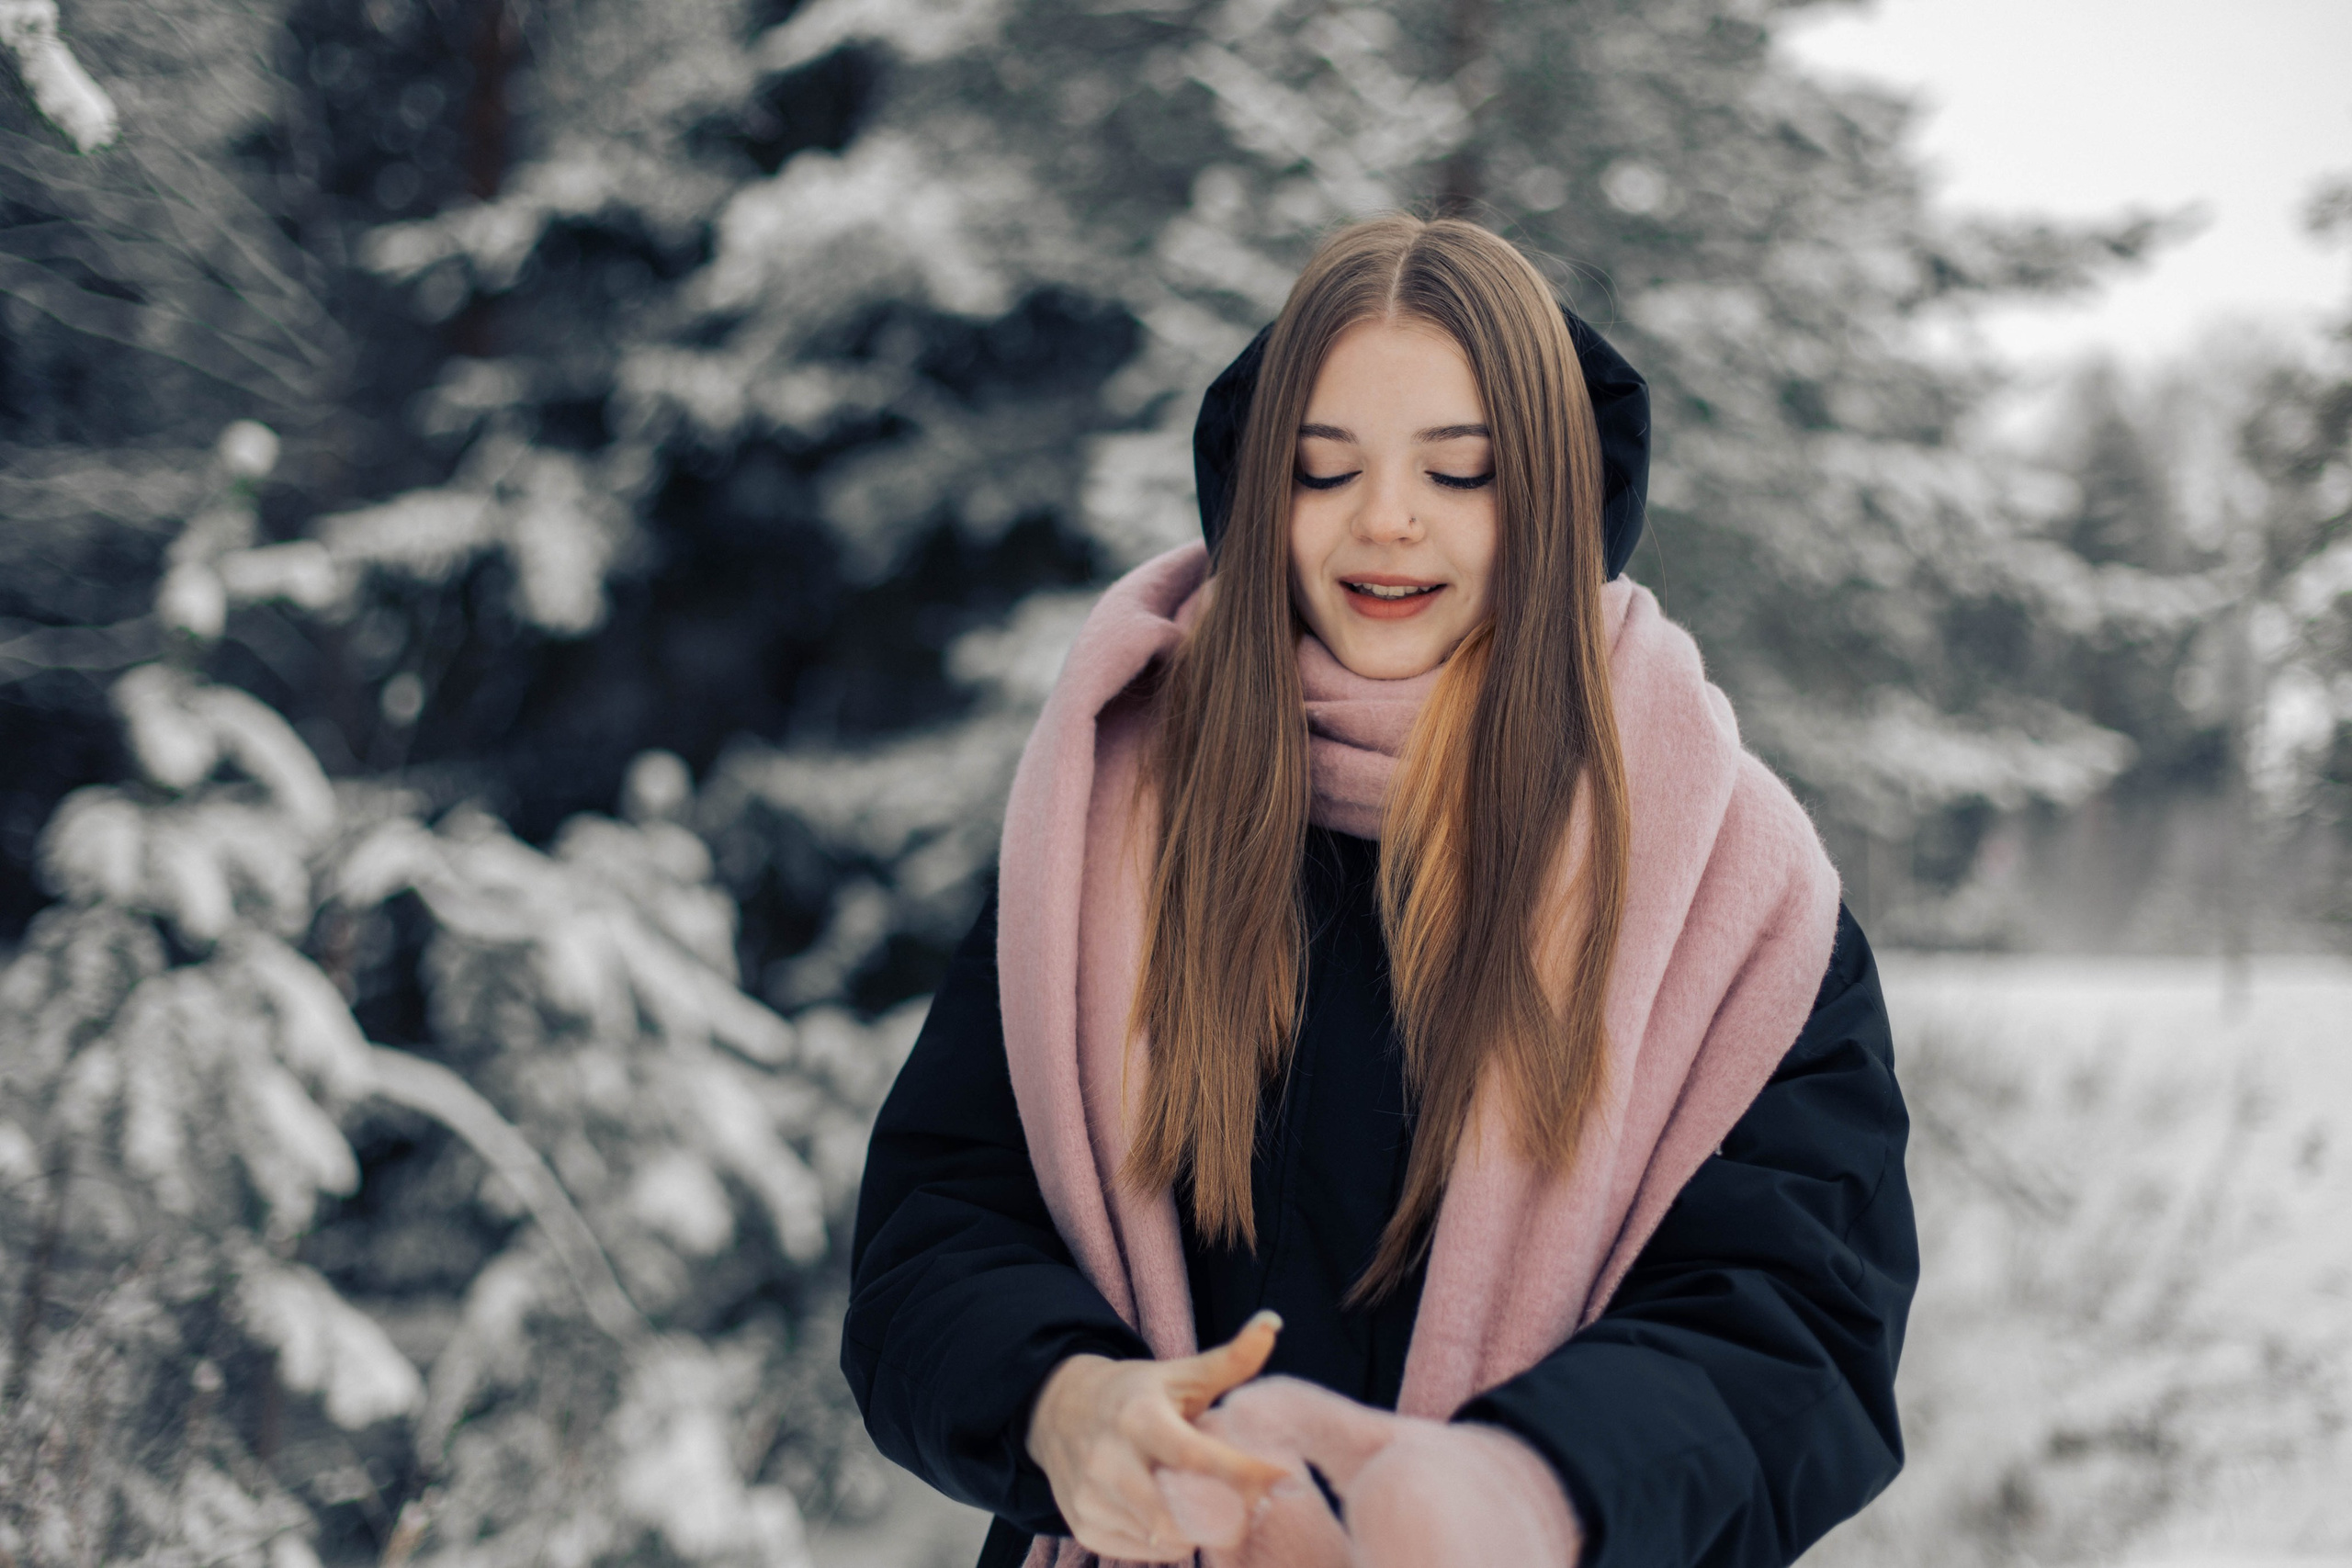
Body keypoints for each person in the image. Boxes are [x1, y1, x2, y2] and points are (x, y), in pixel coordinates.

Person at [842, 215, 1917, 1568]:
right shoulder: (1109, 810)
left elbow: (1798, 1322)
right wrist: (1063, 1405)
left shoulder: (1726, 875)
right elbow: (934, 1235)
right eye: (1323, 469)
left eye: (1459, 472)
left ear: (1550, 495)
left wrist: (1533, 1490)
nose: (1387, 519)